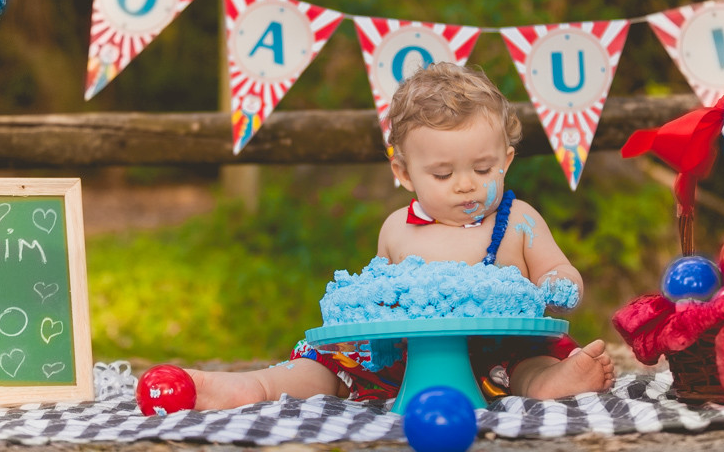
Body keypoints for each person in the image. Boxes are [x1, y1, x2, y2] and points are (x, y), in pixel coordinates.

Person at [183, 62, 615, 409]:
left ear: (506, 160)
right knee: (324, 368)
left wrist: (560, 283)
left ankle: (549, 384)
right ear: (404, 173)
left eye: (483, 169)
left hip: (501, 352)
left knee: (531, 366)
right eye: (443, 173)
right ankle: (256, 387)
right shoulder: (397, 227)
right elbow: (379, 301)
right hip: (406, 359)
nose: (465, 184)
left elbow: (557, 268)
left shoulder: (518, 220)